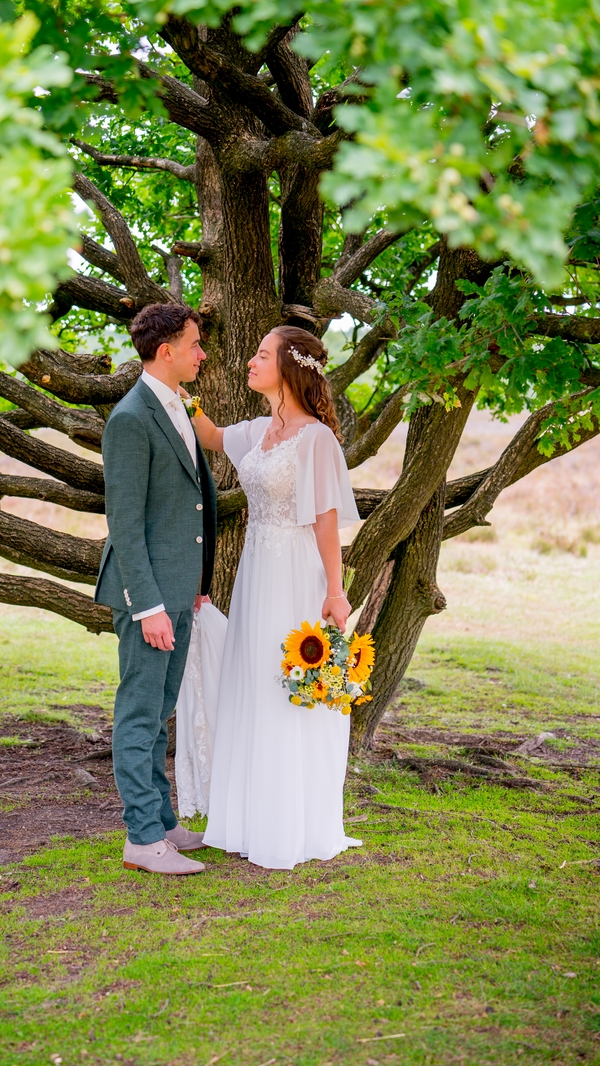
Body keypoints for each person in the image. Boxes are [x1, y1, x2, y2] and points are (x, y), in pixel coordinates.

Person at [189, 326, 362, 870]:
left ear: (288, 368)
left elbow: (327, 519)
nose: (249, 361)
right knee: (254, 685)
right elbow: (212, 436)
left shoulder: (316, 440)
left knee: (292, 690)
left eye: (261, 355)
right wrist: (178, 389)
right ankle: (249, 818)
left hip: (296, 576)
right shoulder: (258, 431)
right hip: (256, 574)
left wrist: (335, 592)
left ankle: (293, 823)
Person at [95, 302, 217, 875]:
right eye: (195, 344)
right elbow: (125, 522)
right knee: (140, 713)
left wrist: (195, 585)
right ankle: (142, 840)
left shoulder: (176, 407)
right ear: (165, 351)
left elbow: (188, 503)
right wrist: (147, 607)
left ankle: (163, 821)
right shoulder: (130, 418)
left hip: (178, 590)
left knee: (162, 709)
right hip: (146, 598)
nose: (202, 353)